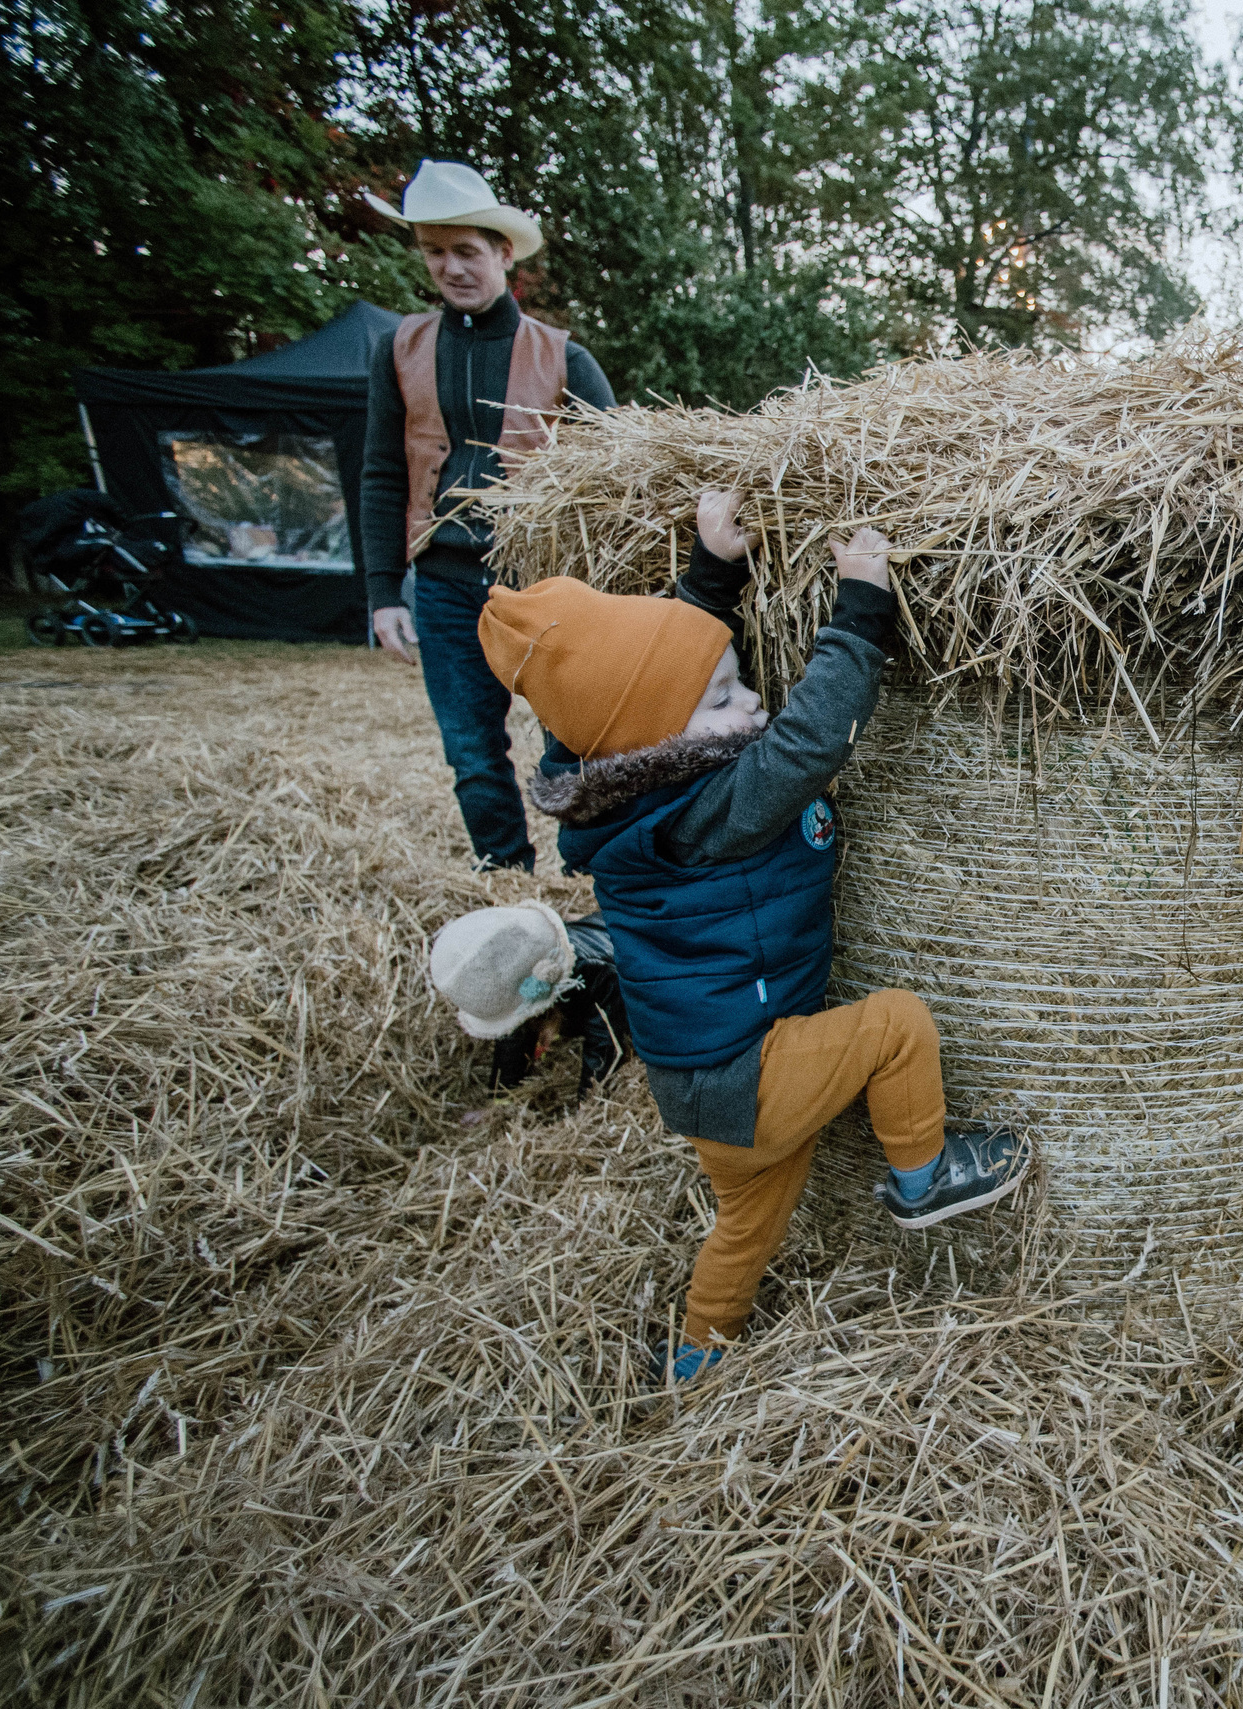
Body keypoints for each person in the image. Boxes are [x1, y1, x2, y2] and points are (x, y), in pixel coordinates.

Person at [479, 493, 1030, 1382]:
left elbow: (654, 679)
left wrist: (710, 577)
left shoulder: (613, 788)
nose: (753, 702)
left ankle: (698, 1353)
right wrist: (861, 607)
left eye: (739, 684)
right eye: (727, 699)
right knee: (896, 1027)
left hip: (704, 1098)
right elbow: (810, 742)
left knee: (745, 1227)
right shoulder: (711, 811)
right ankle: (925, 1179)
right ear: (662, 742)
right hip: (753, 1074)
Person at [360, 160, 617, 873]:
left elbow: (621, 476)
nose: (452, 267)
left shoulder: (564, 357)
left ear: (503, 253)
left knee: (572, 738)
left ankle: (582, 873)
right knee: (471, 748)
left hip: (541, 584)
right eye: (435, 251)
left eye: (466, 251)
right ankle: (504, 876)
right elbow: (381, 474)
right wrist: (383, 592)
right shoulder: (400, 350)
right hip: (444, 583)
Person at [427, 902, 630, 1096]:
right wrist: (501, 1095)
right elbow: (514, 1023)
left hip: (627, 949)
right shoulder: (521, 962)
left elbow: (607, 1047)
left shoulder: (597, 977)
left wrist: (585, 1106)